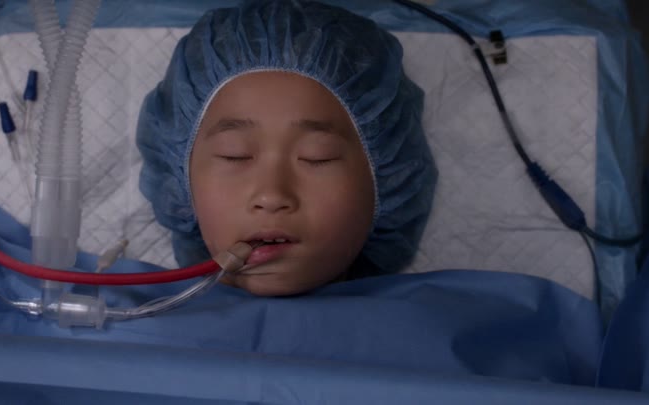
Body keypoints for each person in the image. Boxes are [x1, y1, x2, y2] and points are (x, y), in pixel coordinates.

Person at [136, 0, 436, 296]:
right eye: (234, 155)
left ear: (385, 182)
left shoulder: (447, 320)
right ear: (180, 178)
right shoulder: (125, 311)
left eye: (317, 157)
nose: (271, 196)